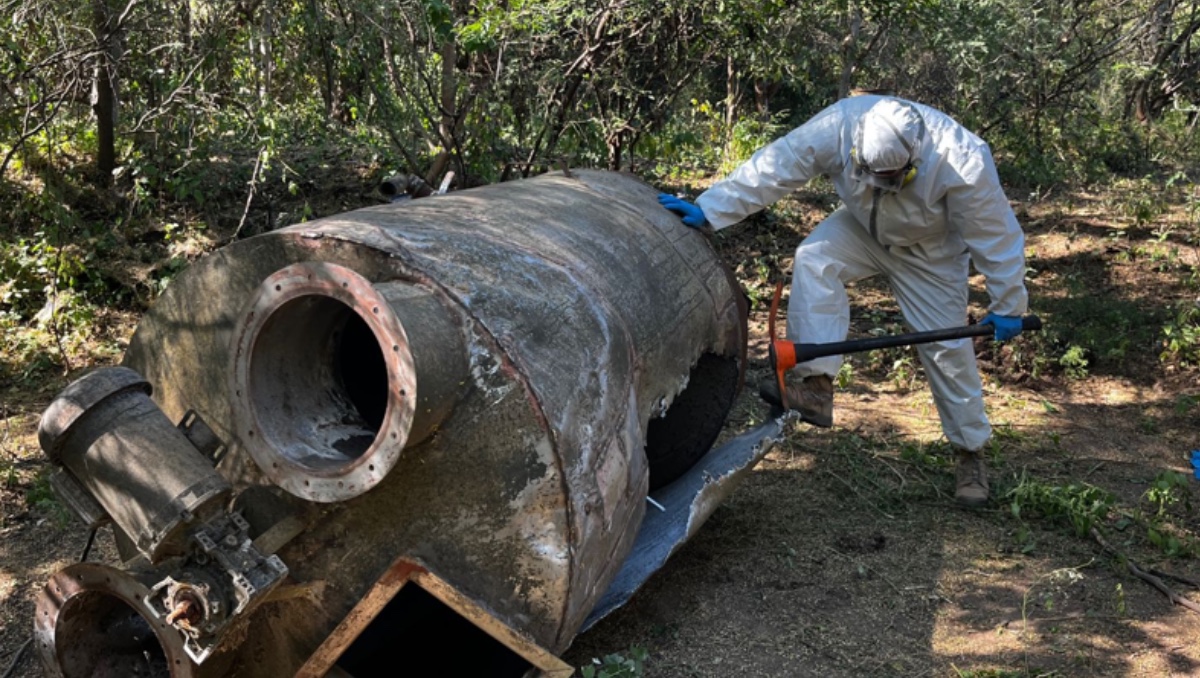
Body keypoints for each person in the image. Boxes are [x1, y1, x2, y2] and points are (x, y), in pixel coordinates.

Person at [658, 95, 1029, 508]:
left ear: (915, 158)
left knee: (945, 349)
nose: (881, 186)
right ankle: (817, 388)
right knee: (815, 259)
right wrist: (710, 208)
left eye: (893, 179)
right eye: (872, 175)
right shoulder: (838, 125)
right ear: (857, 150)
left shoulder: (962, 159)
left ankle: (970, 454)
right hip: (861, 230)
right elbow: (779, 165)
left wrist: (1008, 303)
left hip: (931, 253)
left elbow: (996, 234)